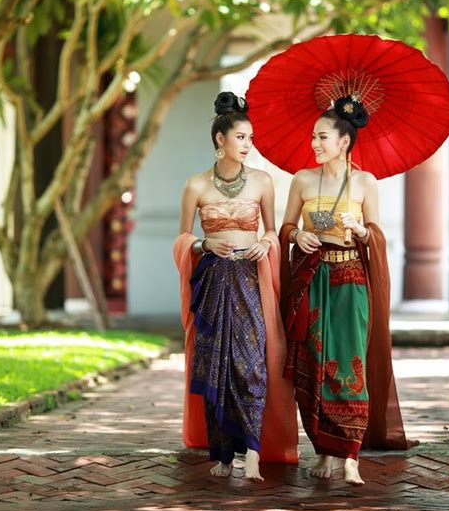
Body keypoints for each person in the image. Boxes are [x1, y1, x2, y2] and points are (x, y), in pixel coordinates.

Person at [279, 95, 414, 486]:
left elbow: (376, 233)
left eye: (322, 137)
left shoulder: (365, 182)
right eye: (313, 137)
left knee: (349, 362)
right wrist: (299, 234)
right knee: (314, 360)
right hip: (312, 280)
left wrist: (361, 232)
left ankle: (350, 454)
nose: (315, 144)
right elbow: (285, 228)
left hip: (351, 279)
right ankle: (324, 450)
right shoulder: (302, 179)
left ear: (344, 141)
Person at [174, 91, 298, 482]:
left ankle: (255, 453)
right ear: (220, 140)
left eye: (250, 137)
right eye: (241, 137)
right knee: (215, 365)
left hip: (250, 279)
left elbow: (274, 232)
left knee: (252, 364)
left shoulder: (262, 182)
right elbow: (181, 239)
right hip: (213, 278)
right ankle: (225, 455)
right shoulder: (196, 185)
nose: (248, 144)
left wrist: (266, 243)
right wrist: (202, 243)